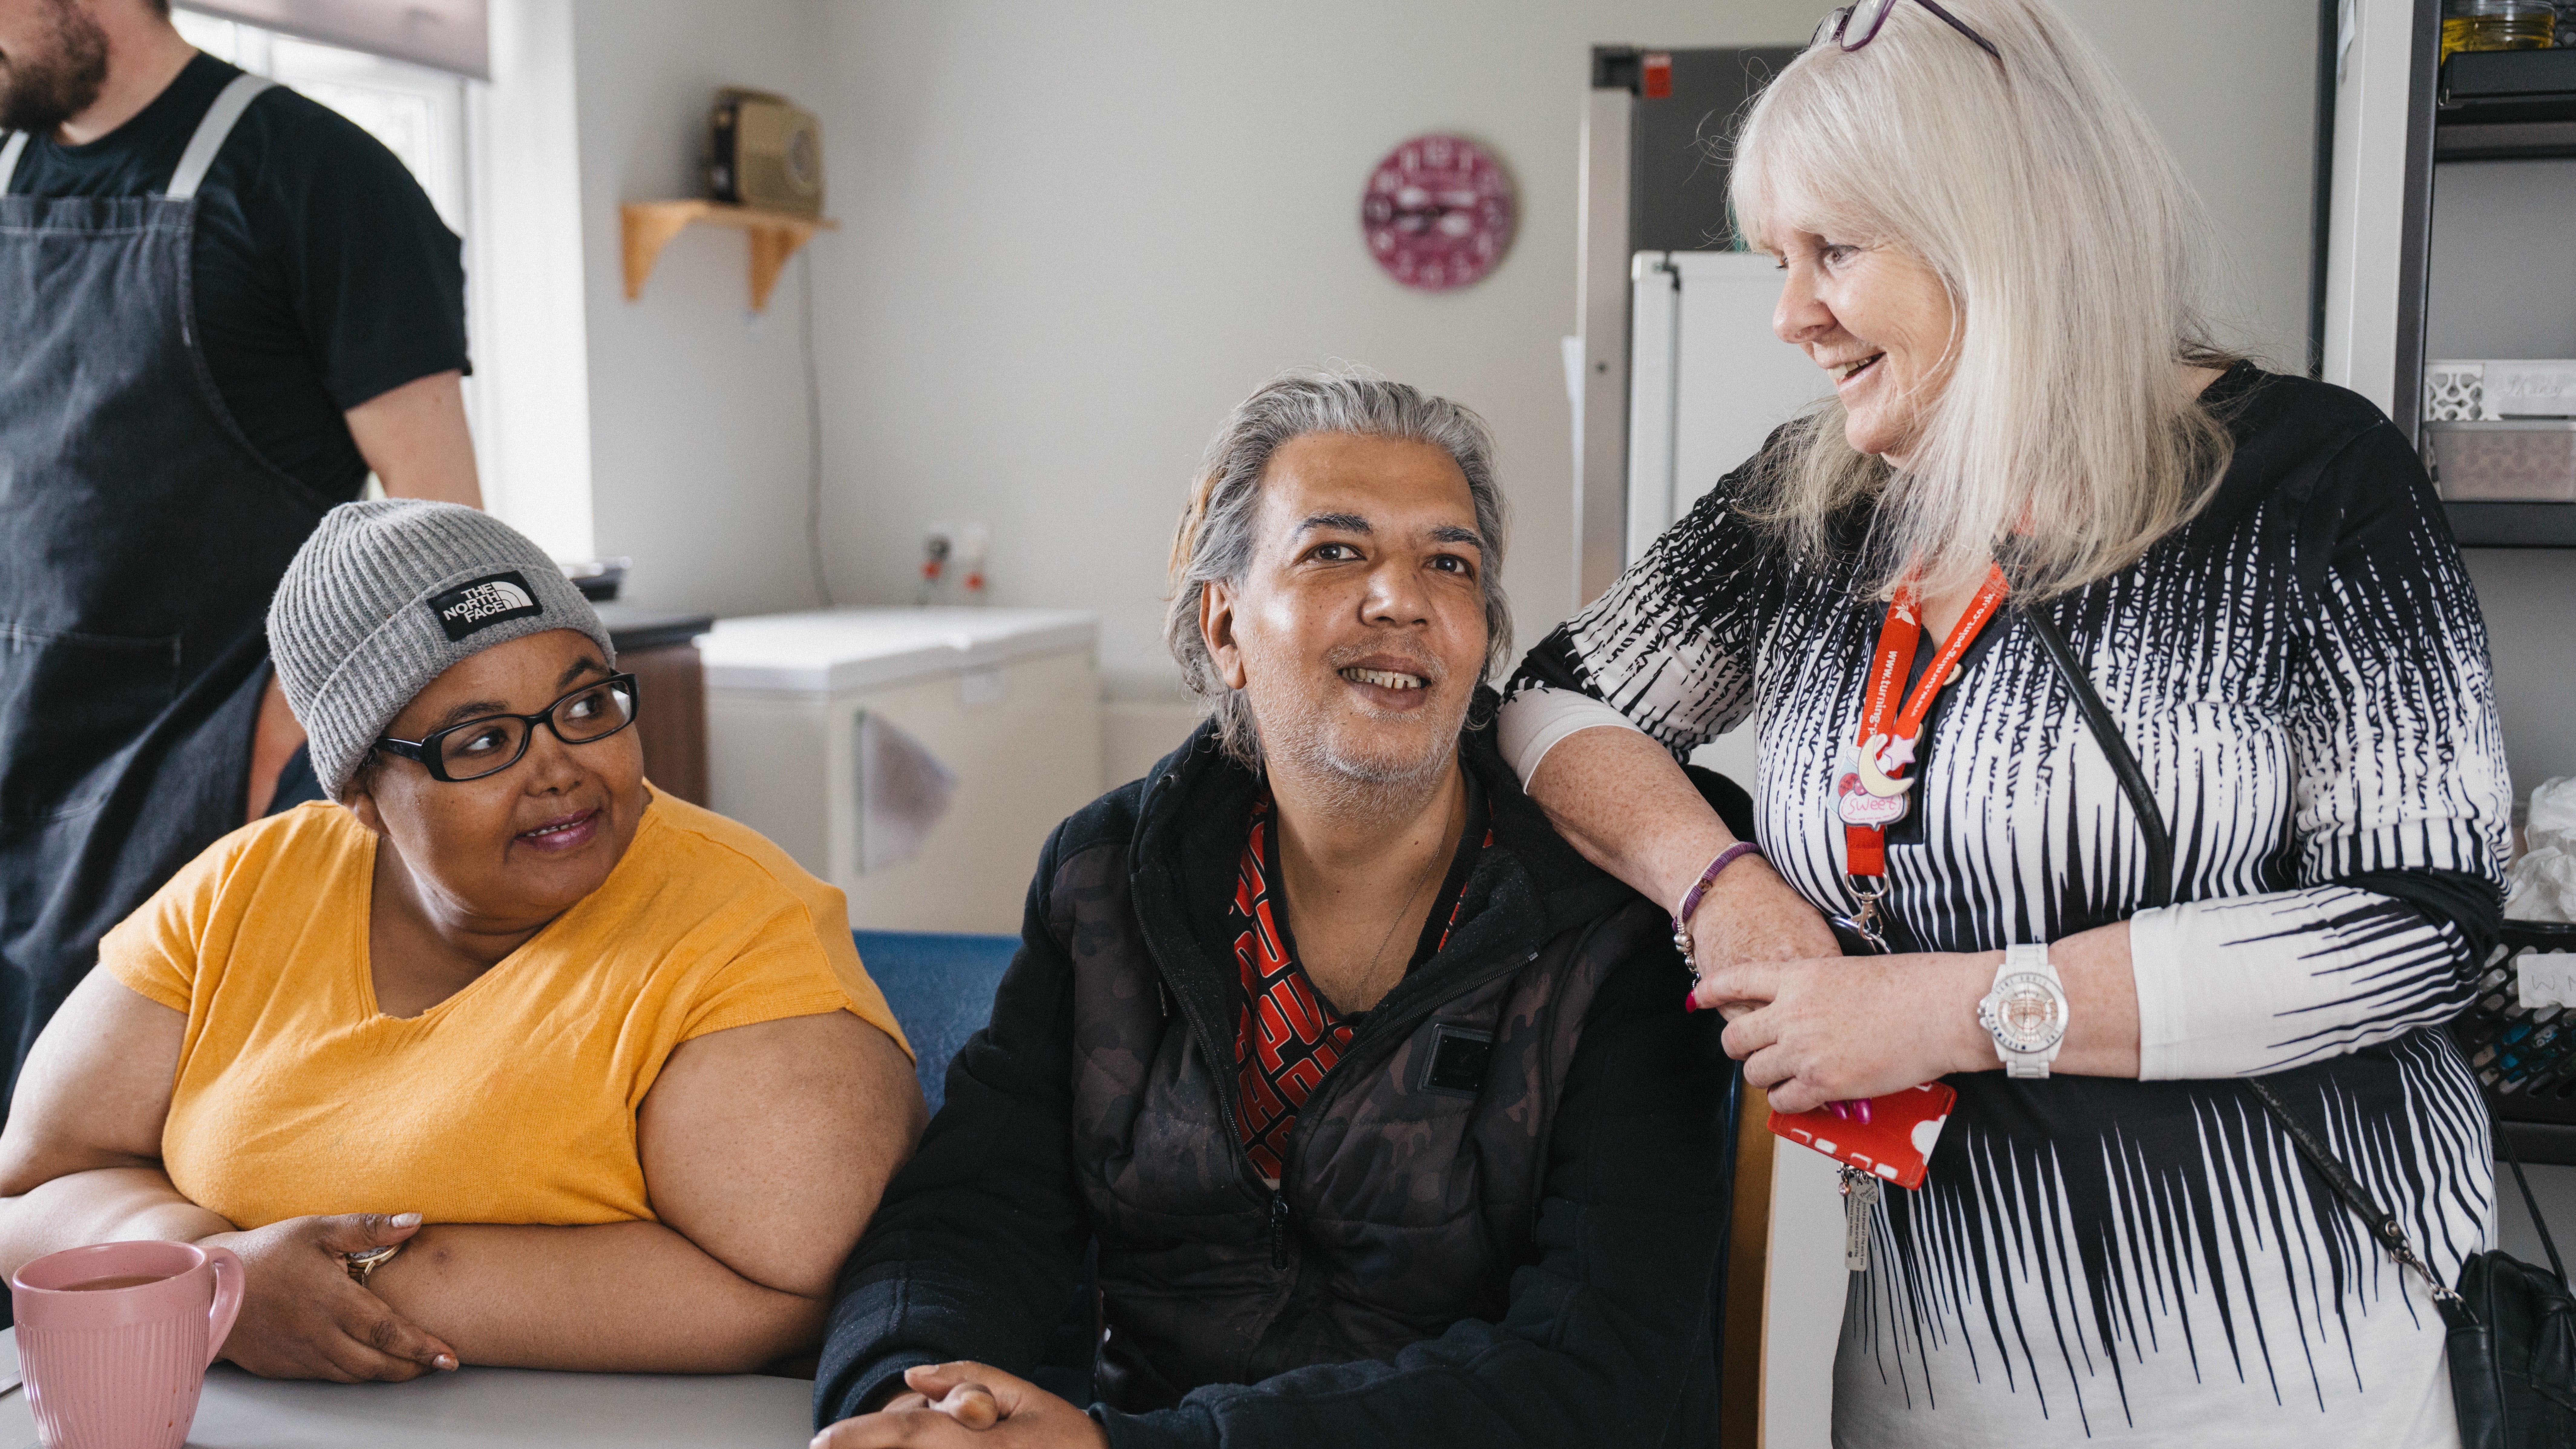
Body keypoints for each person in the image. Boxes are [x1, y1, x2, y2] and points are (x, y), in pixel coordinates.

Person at [1498, 1, 2511, 1444]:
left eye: (1831, 252)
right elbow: (1551, 703)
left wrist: (1959, 1008)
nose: (1787, 315)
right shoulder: (1814, 499)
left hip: (2291, 1353)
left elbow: (2417, 925)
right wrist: (1714, 883)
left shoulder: (2305, 472)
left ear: (1999, 223)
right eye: (1773, 261)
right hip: (1939, 1369)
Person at [810, 373, 1733, 1449]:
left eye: (1450, 563)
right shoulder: (1108, 878)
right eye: (1335, 551)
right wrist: (915, 1406)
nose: (1403, 598)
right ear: (1224, 627)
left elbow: (1598, 1366)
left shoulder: (1609, 916)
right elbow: (971, 1215)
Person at [0, 501, 927, 1381]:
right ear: (360, 792)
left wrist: (321, 1293)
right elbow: (32, 1191)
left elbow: (785, 1289)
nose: (559, 769)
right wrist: (214, 1275)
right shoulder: (243, 888)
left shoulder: (743, 926)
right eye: (482, 743)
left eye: (587, 707)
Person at [0, 0, 480, 1116]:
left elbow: (441, 524)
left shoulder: (317, 177)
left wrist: (293, 734)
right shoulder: (12, 169)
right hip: (24, 735)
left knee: (149, 1157)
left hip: (198, 763)